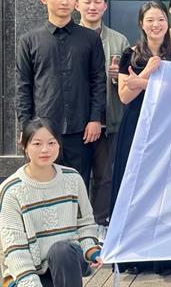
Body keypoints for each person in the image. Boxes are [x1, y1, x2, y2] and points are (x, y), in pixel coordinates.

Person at [16, 0, 106, 190]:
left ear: (75, 1)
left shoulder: (90, 38)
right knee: (42, 186)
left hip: (81, 129)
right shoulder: (29, 40)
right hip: (43, 128)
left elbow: (98, 81)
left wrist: (95, 118)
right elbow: (23, 85)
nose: (65, 1)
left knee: (78, 185)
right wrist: (26, 125)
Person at [110, 0, 171, 277]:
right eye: (150, 20)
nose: (156, 25)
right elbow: (125, 96)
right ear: (141, 23)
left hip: (168, 127)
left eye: (160, 19)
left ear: (167, 22)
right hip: (136, 126)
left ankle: (164, 254)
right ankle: (133, 253)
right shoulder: (130, 54)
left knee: (164, 189)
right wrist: (147, 71)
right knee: (135, 187)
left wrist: (140, 83)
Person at [0, 118, 103, 287]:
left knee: (61, 250)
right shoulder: (12, 190)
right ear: (25, 146)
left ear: (59, 145)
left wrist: (91, 250)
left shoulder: (73, 179)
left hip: (68, 260)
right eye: (37, 144)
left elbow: (85, 223)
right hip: (29, 270)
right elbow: (15, 248)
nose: (45, 150)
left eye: (51, 143)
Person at [76, 0, 130, 228]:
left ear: (105, 6)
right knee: (76, 175)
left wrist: (118, 77)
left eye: (97, 2)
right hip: (76, 121)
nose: (92, 7)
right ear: (77, 5)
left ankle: (99, 224)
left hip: (110, 119)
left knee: (105, 177)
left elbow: (127, 80)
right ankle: (76, 224)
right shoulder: (70, 38)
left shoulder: (119, 40)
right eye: (87, 2)